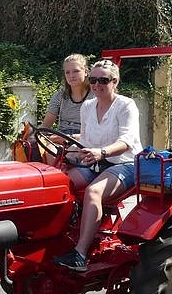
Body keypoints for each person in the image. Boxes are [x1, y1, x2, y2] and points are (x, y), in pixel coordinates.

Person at [53, 59, 143, 271]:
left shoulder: (126, 105)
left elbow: (126, 142)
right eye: (93, 79)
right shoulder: (87, 106)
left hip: (125, 163)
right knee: (59, 184)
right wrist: (67, 146)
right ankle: (60, 239)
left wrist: (101, 152)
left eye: (103, 80)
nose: (97, 84)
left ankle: (80, 254)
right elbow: (86, 138)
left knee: (93, 192)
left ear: (115, 81)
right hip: (95, 163)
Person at [41, 53, 93, 136]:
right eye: (67, 72)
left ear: (86, 72)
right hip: (61, 136)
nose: (71, 76)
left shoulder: (96, 95)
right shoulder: (60, 95)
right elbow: (46, 125)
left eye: (76, 71)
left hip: (87, 136)